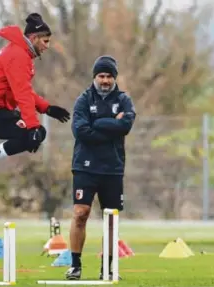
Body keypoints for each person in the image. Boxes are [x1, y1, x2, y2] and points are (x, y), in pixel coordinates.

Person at [0, 13, 70, 189]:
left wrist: (47, 108)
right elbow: (21, 94)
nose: (47, 46)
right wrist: (32, 127)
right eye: (45, 41)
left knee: (36, 134)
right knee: (31, 134)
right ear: (33, 37)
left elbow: (23, 90)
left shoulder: (20, 52)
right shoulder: (18, 55)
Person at [66, 55, 136, 280]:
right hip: (85, 166)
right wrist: (111, 125)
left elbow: (125, 125)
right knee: (80, 213)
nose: (105, 80)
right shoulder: (84, 100)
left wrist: (97, 123)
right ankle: (75, 266)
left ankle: (107, 268)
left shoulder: (124, 100)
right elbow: (80, 131)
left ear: (114, 78)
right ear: (95, 77)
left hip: (112, 167)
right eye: (101, 76)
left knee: (111, 219)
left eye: (109, 76)